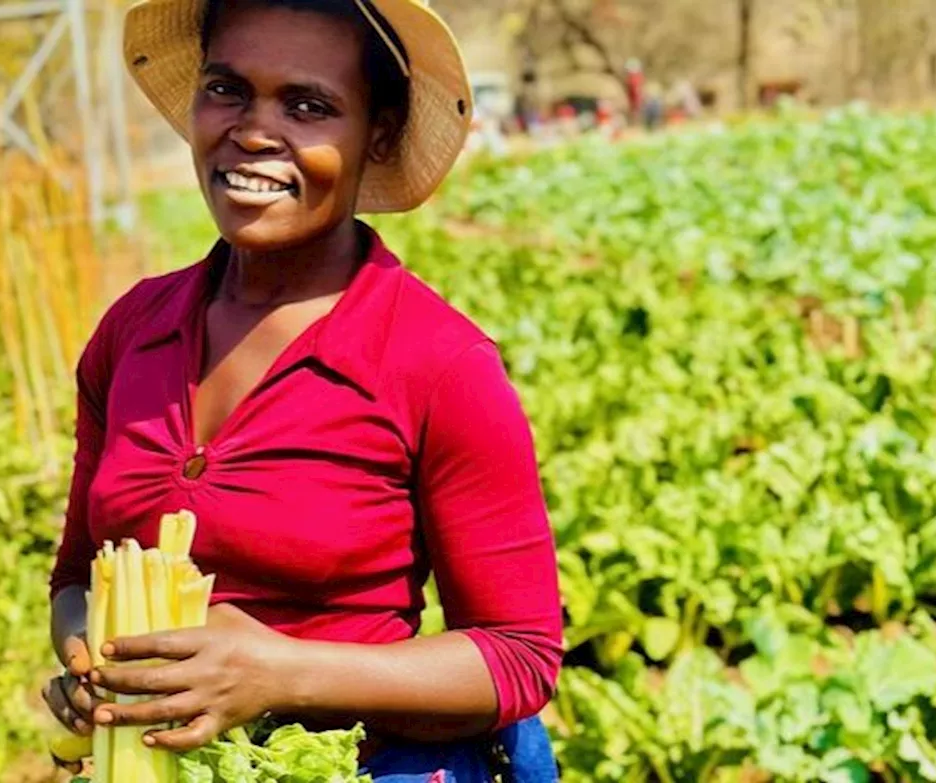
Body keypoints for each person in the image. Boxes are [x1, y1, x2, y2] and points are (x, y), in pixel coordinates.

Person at [41, 1, 564, 781]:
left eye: (309, 105)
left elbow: (519, 656)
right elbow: (76, 576)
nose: (253, 130)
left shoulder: (439, 363)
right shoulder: (131, 332)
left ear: (378, 133)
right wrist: (98, 658)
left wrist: (281, 672)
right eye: (227, 90)